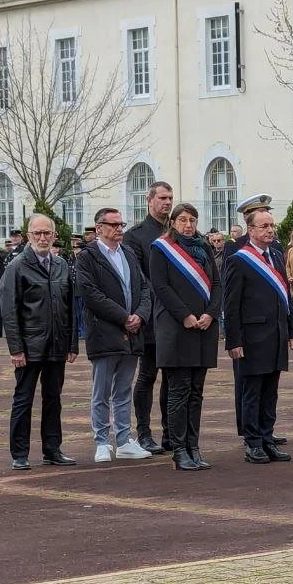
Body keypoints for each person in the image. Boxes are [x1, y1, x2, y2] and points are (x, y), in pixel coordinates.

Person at [1, 214, 79, 470]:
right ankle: (20, 453)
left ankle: (52, 449)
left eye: (47, 233)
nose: (43, 238)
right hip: (29, 345)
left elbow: (69, 307)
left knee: (53, 398)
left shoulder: (61, 265)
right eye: (38, 233)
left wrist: (72, 344)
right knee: (23, 399)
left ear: (55, 236)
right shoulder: (17, 266)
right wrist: (16, 348)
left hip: (57, 344)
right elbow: (10, 311)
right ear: (28, 235)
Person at [76, 208, 153, 464]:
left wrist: (139, 316)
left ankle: (123, 440)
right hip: (105, 331)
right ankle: (101, 441)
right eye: (114, 224)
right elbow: (91, 294)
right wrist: (123, 317)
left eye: (121, 224)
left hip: (132, 332)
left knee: (123, 390)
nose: (120, 228)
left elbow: (144, 288)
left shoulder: (128, 253)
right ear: (99, 228)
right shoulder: (87, 257)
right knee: (101, 391)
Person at [224, 195, 293, 464]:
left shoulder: (277, 255)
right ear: (251, 230)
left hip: (276, 335)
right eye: (264, 226)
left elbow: (284, 297)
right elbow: (231, 305)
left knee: (271, 390)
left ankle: (268, 437)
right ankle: (253, 442)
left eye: (271, 225)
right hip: (252, 337)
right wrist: (234, 340)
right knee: (252, 391)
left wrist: (291, 330)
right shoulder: (238, 259)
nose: (270, 230)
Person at [151, 203, 222, 470]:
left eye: (192, 220)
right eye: (182, 220)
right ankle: (179, 449)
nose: (188, 225)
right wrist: (185, 315)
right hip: (176, 328)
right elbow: (160, 286)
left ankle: (194, 447)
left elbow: (216, 283)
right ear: (173, 222)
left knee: (197, 392)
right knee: (179, 391)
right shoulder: (161, 248)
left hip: (204, 327)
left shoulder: (203, 247)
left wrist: (211, 314)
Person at [122, 180, 173, 455]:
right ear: (149, 200)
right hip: (152, 318)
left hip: (176, 318)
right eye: (162, 198)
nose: (167, 203)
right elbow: (139, 279)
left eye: (170, 198)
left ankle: (170, 432)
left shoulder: (178, 233)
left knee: (173, 377)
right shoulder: (136, 236)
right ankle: (143, 432)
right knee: (148, 375)